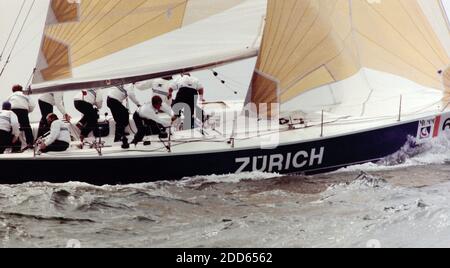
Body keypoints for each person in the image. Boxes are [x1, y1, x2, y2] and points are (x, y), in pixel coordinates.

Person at [8, 84, 35, 149]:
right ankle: (30, 143)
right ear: (21, 89)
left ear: (13, 90)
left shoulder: (11, 96)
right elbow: (32, 105)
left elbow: (7, 104)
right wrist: (28, 111)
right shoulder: (25, 95)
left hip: (13, 110)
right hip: (23, 110)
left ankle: (11, 144)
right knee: (26, 126)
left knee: (12, 127)